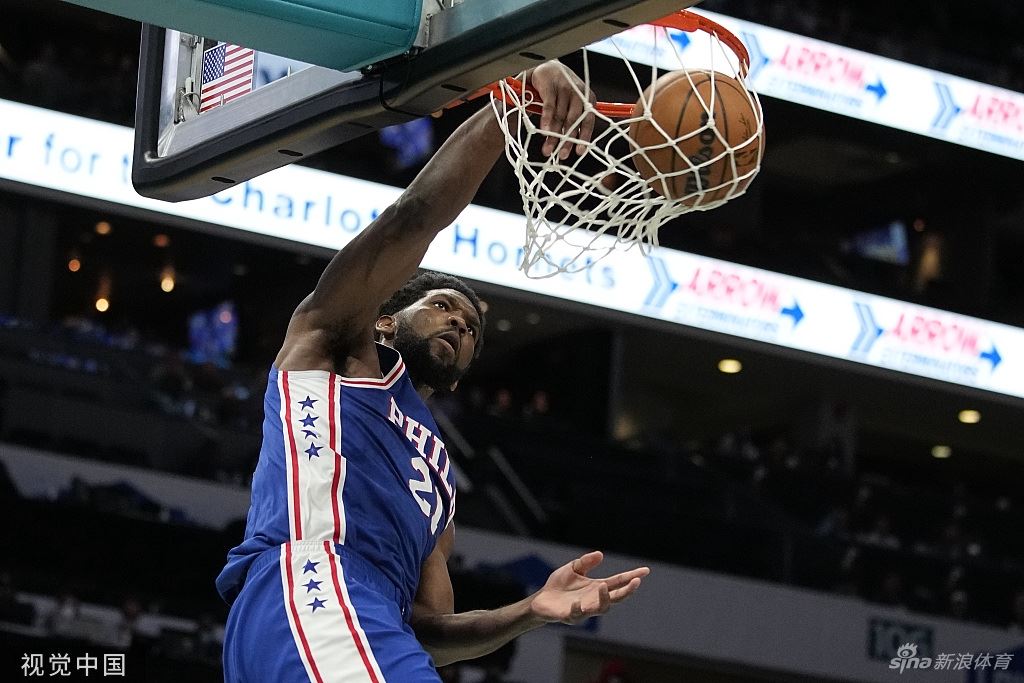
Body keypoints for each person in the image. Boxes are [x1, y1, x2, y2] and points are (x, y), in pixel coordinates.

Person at [215, 60, 649, 682]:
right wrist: (509, 103)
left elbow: (426, 631)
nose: (458, 325)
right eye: (442, 306)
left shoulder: (438, 477)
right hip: (310, 581)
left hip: (354, 621)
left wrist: (529, 611)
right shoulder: (332, 346)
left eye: (470, 329)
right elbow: (414, 215)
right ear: (384, 320)